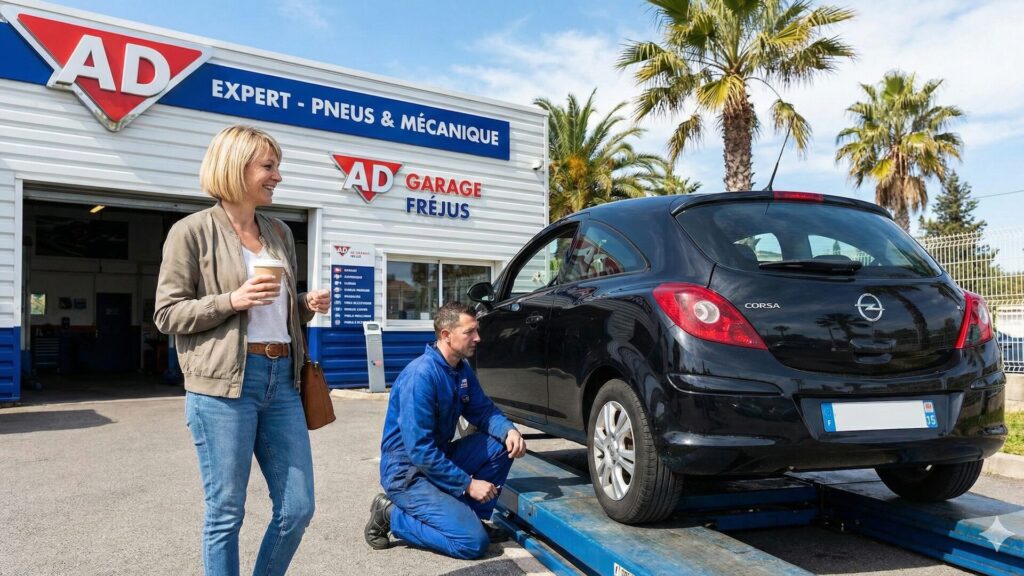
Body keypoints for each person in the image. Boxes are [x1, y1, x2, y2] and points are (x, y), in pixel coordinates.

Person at [154, 125, 330, 576]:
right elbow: (168, 314)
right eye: (269, 167)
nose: (277, 177)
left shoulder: (280, 233)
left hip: (283, 379)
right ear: (236, 167)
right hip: (222, 386)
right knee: (226, 513)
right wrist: (231, 299)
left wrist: (304, 305)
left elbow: (278, 311)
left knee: (298, 508)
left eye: (277, 167)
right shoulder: (190, 232)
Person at [365, 302, 527, 560]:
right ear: (446, 335)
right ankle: (390, 513)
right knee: (472, 543)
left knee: (500, 445)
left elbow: (483, 411)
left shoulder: (460, 370)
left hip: (437, 459)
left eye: (477, 331)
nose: (478, 338)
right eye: (470, 332)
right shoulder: (421, 377)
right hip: (408, 474)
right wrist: (468, 484)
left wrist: (509, 431)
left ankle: (471, 516)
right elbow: (420, 451)